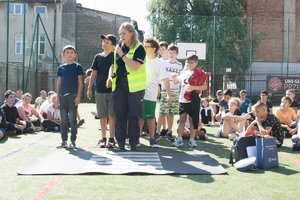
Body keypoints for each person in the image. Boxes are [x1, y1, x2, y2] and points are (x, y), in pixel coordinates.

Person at [107, 22, 146, 151]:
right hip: (119, 86)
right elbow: (114, 65)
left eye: (124, 33)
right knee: (120, 114)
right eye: (120, 34)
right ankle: (121, 143)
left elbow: (135, 66)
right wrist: (110, 77)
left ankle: (134, 143)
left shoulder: (139, 48)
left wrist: (122, 55)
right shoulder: (119, 46)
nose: (121, 36)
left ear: (131, 33)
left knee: (133, 116)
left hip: (135, 88)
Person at [138, 37, 172, 147]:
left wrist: (168, 95)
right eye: (144, 46)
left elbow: (165, 80)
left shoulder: (159, 63)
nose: (144, 48)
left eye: (146, 46)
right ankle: (137, 138)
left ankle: (152, 139)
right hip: (138, 92)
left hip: (151, 94)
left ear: (153, 49)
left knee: (150, 116)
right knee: (140, 116)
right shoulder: (140, 60)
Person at [87, 34, 116, 148]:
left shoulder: (115, 56)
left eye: (107, 42)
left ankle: (112, 138)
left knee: (112, 115)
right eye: (103, 41)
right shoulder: (97, 57)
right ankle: (104, 138)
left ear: (113, 46)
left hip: (113, 91)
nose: (104, 43)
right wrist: (89, 88)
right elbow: (94, 73)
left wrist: (111, 79)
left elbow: (113, 69)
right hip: (99, 90)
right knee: (102, 115)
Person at [172, 54, 207, 147]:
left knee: (192, 120)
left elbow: (205, 86)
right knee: (181, 119)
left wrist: (193, 87)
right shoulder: (183, 72)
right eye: (187, 62)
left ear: (196, 63)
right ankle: (179, 139)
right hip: (182, 100)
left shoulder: (199, 73)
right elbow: (177, 82)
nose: (188, 64)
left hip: (193, 100)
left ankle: (192, 140)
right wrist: (175, 78)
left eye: (191, 62)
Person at [56, 45, 84, 149]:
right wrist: (57, 96)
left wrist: (78, 96)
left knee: (72, 120)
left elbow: (80, 82)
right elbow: (58, 82)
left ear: (75, 54)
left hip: (73, 96)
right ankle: (64, 141)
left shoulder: (78, 67)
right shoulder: (61, 68)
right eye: (67, 52)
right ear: (63, 55)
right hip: (62, 97)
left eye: (72, 52)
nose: (69, 54)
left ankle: (73, 141)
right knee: (63, 121)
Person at [158, 44, 183, 142]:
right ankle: (157, 132)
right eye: (170, 52)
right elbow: (160, 78)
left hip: (175, 91)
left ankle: (169, 132)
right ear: (167, 53)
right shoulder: (163, 63)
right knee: (162, 112)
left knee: (171, 113)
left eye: (174, 52)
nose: (172, 54)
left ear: (177, 54)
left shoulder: (179, 65)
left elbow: (179, 81)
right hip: (165, 90)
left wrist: (176, 79)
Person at [156, 41, 169, 136]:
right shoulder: (158, 61)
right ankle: (163, 129)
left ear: (167, 49)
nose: (161, 51)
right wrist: (157, 87)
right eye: (160, 50)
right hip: (161, 86)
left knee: (167, 110)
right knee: (162, 109)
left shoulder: (170, 61)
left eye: (163, 49)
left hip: (169, 87)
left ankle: (167, 129)